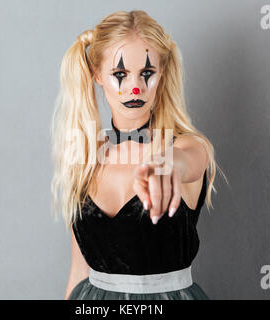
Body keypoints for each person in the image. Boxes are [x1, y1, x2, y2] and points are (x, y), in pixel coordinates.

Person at [51, 10, 222, 300]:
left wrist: (167, 165)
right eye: (120, 74)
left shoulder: (189, 147)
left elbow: (188, 160)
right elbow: (79, 271)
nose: (135, 87)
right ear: (97, 75)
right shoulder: (83, 157)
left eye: (147, 73)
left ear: (163, 73)